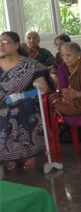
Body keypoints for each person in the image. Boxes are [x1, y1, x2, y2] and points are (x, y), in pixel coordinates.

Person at [0, 31, 53, 170]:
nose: (1, 45)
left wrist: (21, 96)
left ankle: (29, 156)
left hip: (27, 101)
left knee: (19, 110)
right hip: (2, 103)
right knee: (3, 112)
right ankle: (8, 157)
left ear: (16, 45)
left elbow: (44, 88)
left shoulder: (30, 64)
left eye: (5, 42)